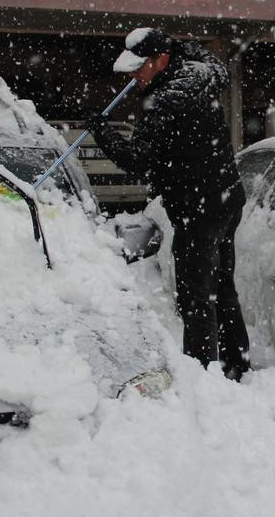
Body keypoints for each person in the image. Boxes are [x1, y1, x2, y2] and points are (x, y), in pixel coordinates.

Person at [87, 28, 251, 381]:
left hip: (198, 209)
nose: (134, 77)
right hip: (226, 199)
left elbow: (137, 160)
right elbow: (215, 65)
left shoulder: (167, 102)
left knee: (195, 296)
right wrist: (178, 46)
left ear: (161, 61)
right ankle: (237, 363)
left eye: (139, 68)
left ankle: (201, 374)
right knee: (222, 284)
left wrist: (102, 132)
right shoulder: (202, 74)